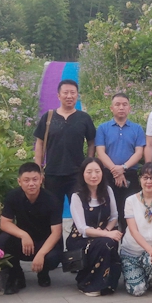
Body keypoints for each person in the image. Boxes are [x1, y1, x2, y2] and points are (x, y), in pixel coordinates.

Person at [0, 162, 63, 295]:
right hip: (24, 242)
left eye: (35, 179)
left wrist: (41, 254)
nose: (31, 184)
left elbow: (56, 232)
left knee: (53, 257)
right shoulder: (13, 196)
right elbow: (4, 223)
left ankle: (43, 272)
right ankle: (16, 275)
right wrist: (23, 235)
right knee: (3, 240)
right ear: (19, 182)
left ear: (41, 180)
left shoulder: (52, 200)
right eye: (26, 180)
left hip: (45, 241)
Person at [34, 79, 96, 210]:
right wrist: (38, 169)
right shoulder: (48, 117)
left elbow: (92, 142)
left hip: (77, 173)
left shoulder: (84, 118)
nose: (69, 96)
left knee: (80, 209)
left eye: (73, 93)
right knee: (53, 211)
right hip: (52, 173)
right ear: (59, 95)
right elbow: (39, 143)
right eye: (65, 92)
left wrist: (89, 164)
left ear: (77, 95)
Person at [66, 157, 122, 296]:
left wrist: (107, 230)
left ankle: (108, 283)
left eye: (97, 171)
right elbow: (82, 229)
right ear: (83, 174)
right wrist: (107, 234)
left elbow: (114, 216)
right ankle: (87, 283)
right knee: (105, 242)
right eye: (89, 172)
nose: (93, 175)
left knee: (107, 242)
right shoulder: (77, 196)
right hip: (81, 239)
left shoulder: (107, 190)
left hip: (103, 235)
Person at [96, 93, 146, 233]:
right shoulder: (103, 128)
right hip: (108, 174)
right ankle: (108, 241)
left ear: (129, 108)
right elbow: (100, 152)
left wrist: (123, 168)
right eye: (117, 104)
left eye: (124, 104)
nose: (121, 107)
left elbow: (139, 153)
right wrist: (115, 170)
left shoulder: (137, 129)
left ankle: (128, 242)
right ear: (111, 108)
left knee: (129, 211)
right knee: (108, 210)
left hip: (130, 174)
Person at [120, 162, 152, 296]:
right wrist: (150, 250)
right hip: (131, 253)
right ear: (140, 179)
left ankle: (150, 279)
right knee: (137, 290)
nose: (149, 181)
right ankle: (142, 278)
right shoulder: (130, 201)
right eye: (145, 177)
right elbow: (133, 231)